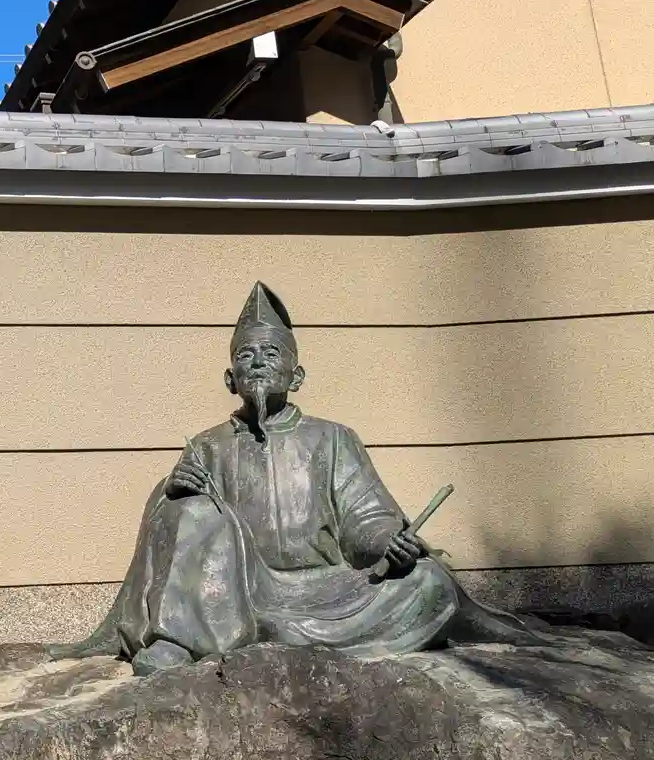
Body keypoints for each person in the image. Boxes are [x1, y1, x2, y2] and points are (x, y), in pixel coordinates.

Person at [49, 282, 543, 674]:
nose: (258, 361)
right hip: (238, 592)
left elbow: (365, 516)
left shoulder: (333, 439)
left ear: (297, 375)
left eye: (271, 353)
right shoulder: (206, 446)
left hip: (330, 590)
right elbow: (177, 540)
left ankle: (259, 636)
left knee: (427, 582)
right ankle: (180, 639)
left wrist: (389, 543)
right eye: (246, 355)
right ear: (229, 379)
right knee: (188, 508)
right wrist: (174, 493)